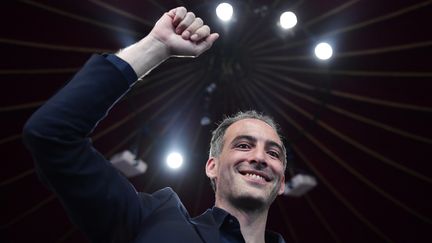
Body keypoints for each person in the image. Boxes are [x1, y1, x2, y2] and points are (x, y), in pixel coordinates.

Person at [23, 6, 287, 243]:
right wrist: (157, 45)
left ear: (282, 181)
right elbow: (51, 134)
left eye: (273, 153)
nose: (259, 157)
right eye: (243, 145)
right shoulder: (154, 220)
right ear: (212, 166)